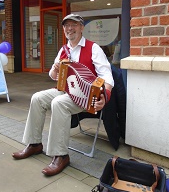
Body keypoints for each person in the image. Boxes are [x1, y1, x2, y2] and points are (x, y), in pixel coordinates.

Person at [12, 14, 114, 176]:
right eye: (66, 25)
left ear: (81, 28)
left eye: (74, 24)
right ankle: (34, 144)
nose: (70, 28)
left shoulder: (93, 48)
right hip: (65, 90)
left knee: (58, 103)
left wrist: (105, 95)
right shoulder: (63, 50)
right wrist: (55, 68)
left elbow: (106, 75)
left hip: (85, 95)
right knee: (37, 98)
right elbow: (53, 76)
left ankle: (60, 155)